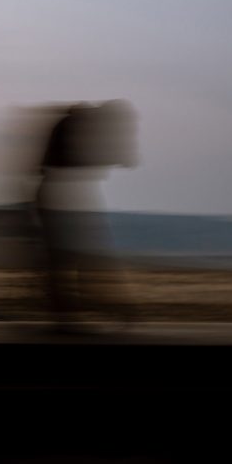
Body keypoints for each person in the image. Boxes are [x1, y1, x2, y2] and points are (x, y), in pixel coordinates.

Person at [31, 99, 139, 331]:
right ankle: (81, 310)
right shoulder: (79, 126)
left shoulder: (76, 124)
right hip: (62, 197)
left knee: (68, 257)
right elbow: (79, 157)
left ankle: (69, 312)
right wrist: (118, 157)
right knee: (78, 256)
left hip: (64, 195)